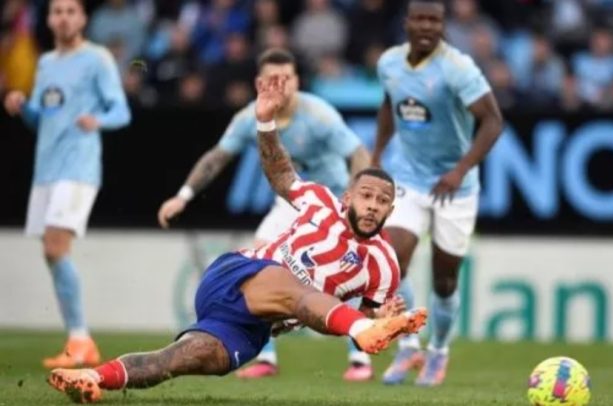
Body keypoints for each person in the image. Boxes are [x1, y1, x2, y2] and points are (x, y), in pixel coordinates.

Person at [47, 74, 428, 404]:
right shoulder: (320, 202)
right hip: (239, 274)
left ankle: (94, 379)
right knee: (296, 290)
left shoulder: (384, 266)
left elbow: (343, 315)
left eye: (383, 201)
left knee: (185, 358)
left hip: (255, 325)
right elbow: (281, 173)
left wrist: (376, 317)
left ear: (391, 211)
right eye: (367, 196)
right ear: (348, 197)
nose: (374, 206)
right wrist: (265, 123)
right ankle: (359, 331)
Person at [157, 48, 375, 381]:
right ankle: (266, 357)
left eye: (288, 78)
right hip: (289, 204)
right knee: (260, 259)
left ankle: (359, 359)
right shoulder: (249, 117)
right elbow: (218, 156)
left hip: (329, 202)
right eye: (275, 79)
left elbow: (358, 153)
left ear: (298, 81)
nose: (283, 85)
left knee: (346, 273)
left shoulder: (319, 115)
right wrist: (183, 196)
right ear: (260, 83)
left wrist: (355, 204)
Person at [371, 0, 503, 387]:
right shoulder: (389, 63)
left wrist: (461, 169)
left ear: (443, 25)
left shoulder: (458, 68)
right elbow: (388, 104)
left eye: (435, 20)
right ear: (407, 22)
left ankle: (439, 351)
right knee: (391, 262)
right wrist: (377, 154)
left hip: (455, 188)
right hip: (408, 179)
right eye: (421, 19)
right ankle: (409, 345)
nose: (428, 26)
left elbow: (493, 121)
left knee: (445, 281)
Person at [2, 0, 131, 369]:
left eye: (70, 11)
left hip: (78, 168)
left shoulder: (97, 59)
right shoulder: (45, 63)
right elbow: (44, 120)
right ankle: (78, 337)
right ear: (49, 19)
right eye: (57, 11)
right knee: (51, 251)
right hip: (46, 170)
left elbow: (121, 110)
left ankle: (80, 338)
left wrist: (98, 120)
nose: (63, 17)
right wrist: (23, 106)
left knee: (57, 244)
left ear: (83, 18)